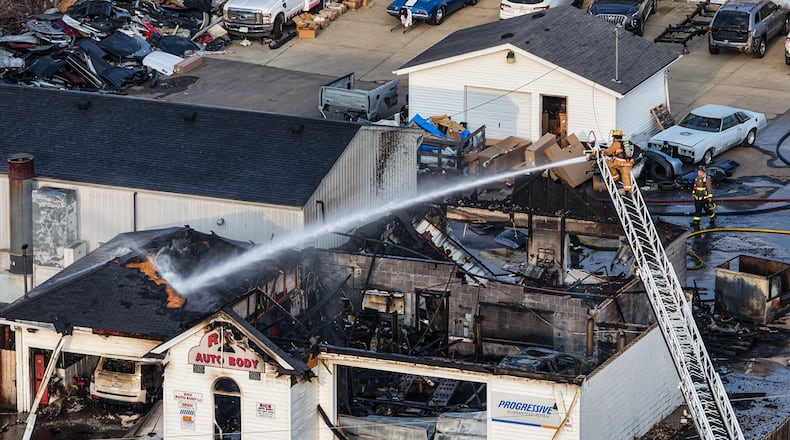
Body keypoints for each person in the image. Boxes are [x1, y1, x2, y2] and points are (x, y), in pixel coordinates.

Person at [588, 129, 634, 196]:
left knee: (608, 164)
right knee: (625, 176)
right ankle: (628, 191)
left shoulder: (616, 144)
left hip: (620, 162)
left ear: (615, 137)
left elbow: (608, 151)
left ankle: (616, 179)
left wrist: (601, 152)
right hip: (628, 162)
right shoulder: (624, 143)